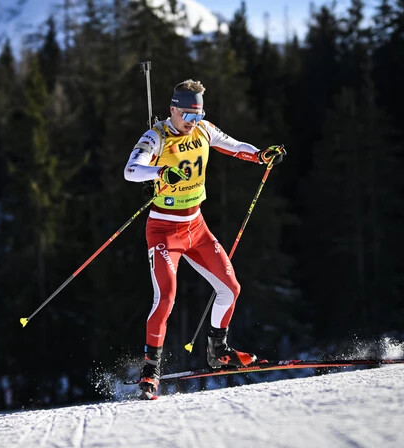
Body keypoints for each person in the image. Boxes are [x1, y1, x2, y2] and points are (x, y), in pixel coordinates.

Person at [123, 79, 286, 399]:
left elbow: (236, 146)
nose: (193, 123)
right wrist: (159, 173)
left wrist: (261, 155)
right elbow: (131, 170)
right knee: (166, 297)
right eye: (187, 116)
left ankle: (218, 351)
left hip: (196, 228)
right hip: (164, 232)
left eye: (198, 116)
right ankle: (150, 368)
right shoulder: (156, 136)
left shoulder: (203, 130)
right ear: (173, 109)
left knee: (231, 288)